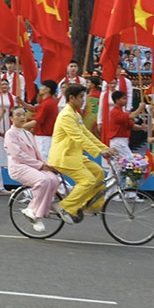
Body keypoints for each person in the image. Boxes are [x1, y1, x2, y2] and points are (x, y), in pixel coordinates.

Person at [48, 84, 118, 223]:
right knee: (88, 181)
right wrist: (99, 151)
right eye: (80, 97)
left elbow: (87, 134)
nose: (83, 100)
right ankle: (65, 207)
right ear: (71, 97)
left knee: (98, 172)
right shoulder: (66, 115)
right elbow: (78, 137)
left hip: (74, 155)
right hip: (64, 157)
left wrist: (105, 148)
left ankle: (92, 205)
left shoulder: (75, 114)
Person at [4, 107, 59, 232]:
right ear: (11, 118)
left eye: (23, 115)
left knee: (54, 179)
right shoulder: (10, 134)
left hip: (33, 166)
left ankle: (44, 207)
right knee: (43, 181)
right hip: (19, 167)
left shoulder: (28, 133)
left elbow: (37, 153)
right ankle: (33, 211)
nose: (22, 117)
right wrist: (39, 165)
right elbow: (18, 155)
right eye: (18, 115)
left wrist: (45, 164)